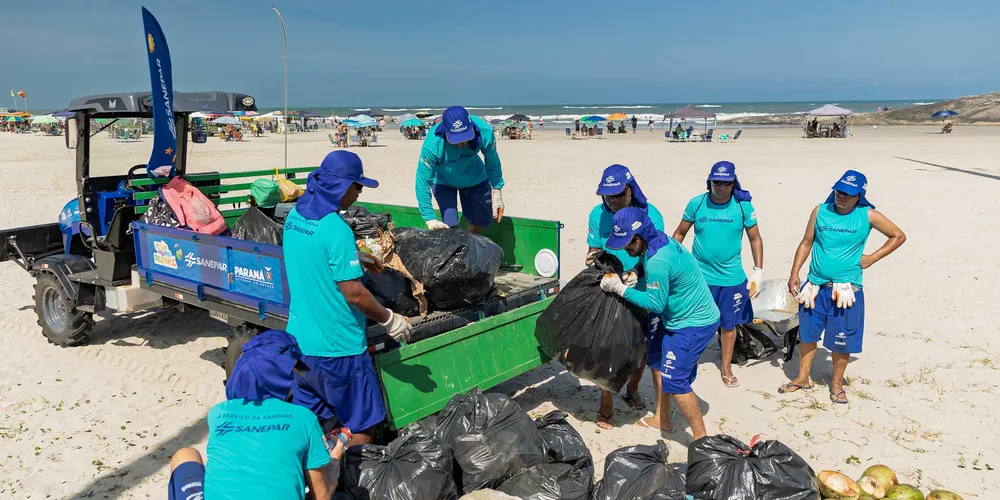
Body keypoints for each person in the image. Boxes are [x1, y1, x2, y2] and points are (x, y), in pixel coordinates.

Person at [283, 150, 413, 446]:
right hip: (338, 348)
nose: (359, 193)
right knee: (363, 424)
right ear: (341, 187)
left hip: (301, 345)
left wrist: (356, 257)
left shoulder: (295, 217)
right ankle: (352, 482)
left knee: (311, 422)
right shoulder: (336, 229)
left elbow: (313, 255)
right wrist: (389, 319)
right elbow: (353, 293)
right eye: (357, 186)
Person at [168, 331, 345, 500]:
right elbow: (322, 495)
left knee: (185, 454)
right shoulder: (304, 418)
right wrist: (334, 460)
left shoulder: (219, 413)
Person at [781, 170, 906, 404]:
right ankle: (802, 377)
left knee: (842, 339)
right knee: (808, 335)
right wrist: (794, 273)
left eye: (848, 194)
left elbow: (898, 236)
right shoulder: (820, 211)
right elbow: (806, 242)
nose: (842, 197)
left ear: (859, 195)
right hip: (815, 287)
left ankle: (837, 384)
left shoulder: (867, 215)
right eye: (839, 191)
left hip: (846, 291)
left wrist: (873, 257)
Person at [600, 208, 721, 438]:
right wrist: (636, 272)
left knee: (675, 380)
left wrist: (620, 288)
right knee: (656, 360)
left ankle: (702, 440)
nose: (625, 248)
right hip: (671, 317)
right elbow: (654, 277)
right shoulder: (658, 240)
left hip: (694, 323)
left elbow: (655, 304)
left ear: (640, 236)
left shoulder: (658, 261)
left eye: (627, 243)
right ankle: (661, 419)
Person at [585, 164, 666, 429]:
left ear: (630, 190)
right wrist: (593, 259)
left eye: (617, 195)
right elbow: (594, 248)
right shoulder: (597, 215)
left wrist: (635, 272)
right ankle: (606, 406)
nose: (612, 201)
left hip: (641, 289)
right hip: (609, 287)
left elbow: (656, 252)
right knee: (608, 350)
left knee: (640, 351)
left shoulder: (651, 214)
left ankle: (632, 391)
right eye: (607, 196)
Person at [672, 161, 764, 388]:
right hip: (699, 277)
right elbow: (680, 233)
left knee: (728, 325)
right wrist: (673, 263)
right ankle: (687, 361)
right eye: (716, 182)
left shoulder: (743, 206)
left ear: (733, 183)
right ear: (709, 182)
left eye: (726, 183)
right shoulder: (697, 203)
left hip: (731, 278)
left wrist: (758, 270)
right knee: (691, 321)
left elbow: (755, 238)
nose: (720, 187)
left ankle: (726, 368)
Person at [415, 106, 505, 234]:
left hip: (475, 176)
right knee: (450, 226)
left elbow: (492, 161)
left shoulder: (484, 131)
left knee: (481, 221)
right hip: (443, 181)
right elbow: (422, 182)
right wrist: (429, 218)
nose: (462, 143)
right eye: (456, 139)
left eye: (465, 136)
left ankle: (470, 240)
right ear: (446, 132)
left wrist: (497, 190)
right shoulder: (433, 144)